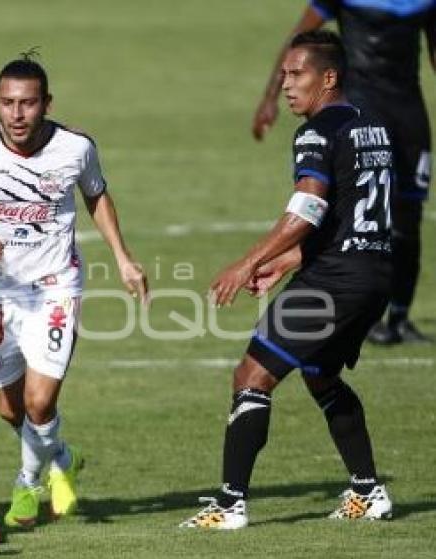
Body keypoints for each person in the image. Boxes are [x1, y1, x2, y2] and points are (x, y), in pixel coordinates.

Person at [0, 51, 148, 528]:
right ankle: (63, 459)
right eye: (8, 103)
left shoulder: (75, 148)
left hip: (56, 288)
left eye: (27, 103)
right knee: (10, 409)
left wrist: (123, 258)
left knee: (39, 402)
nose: (17, 114)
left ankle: (26, 487)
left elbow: (96, 195)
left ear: (46, 102)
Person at [181, 31, 393, 529]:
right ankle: (368, 491)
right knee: (320, 372)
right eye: (283, 76)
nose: (286, 85)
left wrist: (249, 262)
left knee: (251, 376)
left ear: (329, 77)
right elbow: (354, 216)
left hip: (336, 280)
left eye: (296, 75)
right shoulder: (372, 125)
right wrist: (290, 260)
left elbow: (310, 207)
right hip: (374, 273)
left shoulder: (318, 131)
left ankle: (230, 505)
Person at [252, 0, 436, 345]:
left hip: (408, 112)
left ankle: (398, 318)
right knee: (349, 208)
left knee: (409, 214)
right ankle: (343, 305)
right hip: (361, 109)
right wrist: (269, 98)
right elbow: (299, 39)